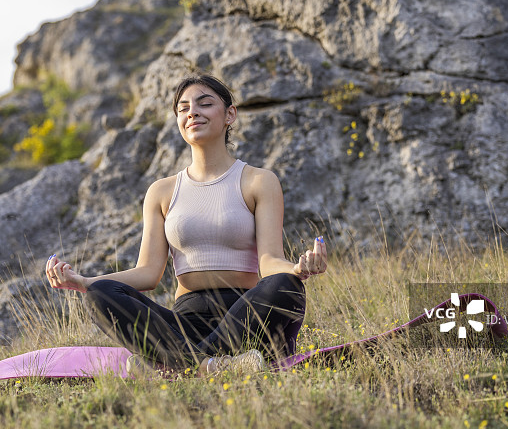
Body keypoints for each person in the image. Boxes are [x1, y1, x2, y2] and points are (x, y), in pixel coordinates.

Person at [45, 74, 327, 375]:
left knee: (285, 285)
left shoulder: (258, 181)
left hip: (243, 314)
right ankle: (211, 366)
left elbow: (269, 261)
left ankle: (173, 364)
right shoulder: (162, 191)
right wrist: (87, 282)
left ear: (229, 114)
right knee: (101, 294)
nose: (193, 112)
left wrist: (297, 270)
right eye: (183, 108)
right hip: (184, 323)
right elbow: (149, 273)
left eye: (205, 103)